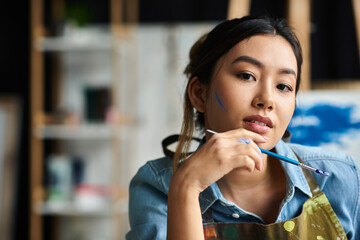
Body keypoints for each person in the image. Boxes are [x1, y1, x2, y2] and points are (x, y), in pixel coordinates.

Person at [125, 15, 360, 240]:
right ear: (199, 94)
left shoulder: (340, 177)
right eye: (247, 76)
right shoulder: (157, 186)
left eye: (283, 86)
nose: (267, 99)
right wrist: (187, 186)